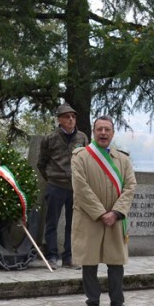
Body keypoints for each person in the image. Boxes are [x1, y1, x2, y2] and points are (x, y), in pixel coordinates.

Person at [71, 116, 137, 306]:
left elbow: (130, 187)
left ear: (113, 133)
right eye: (99, 129)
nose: (103, 133)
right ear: (93, 131)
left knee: (116, 263)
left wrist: (115, 213)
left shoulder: (123, 159)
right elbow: (81, 188)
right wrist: (101, 213)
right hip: (89, 218)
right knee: (89, 262)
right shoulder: (81, 157)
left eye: (107, 129)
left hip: (115, 219)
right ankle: (93, 302)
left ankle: (117, 303)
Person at [37, 102, 89, 267]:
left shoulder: (82, 138)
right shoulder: (50, 138)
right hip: (55, 185)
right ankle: (52, 256)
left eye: (73, 117)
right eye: (67, 117)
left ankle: (69, 257)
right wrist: (52, 178)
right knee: (51, 222)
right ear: (59, 120)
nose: (71, 119)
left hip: (75, 187)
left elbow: (87, 161)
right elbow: (41, 163)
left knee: (73, 224)